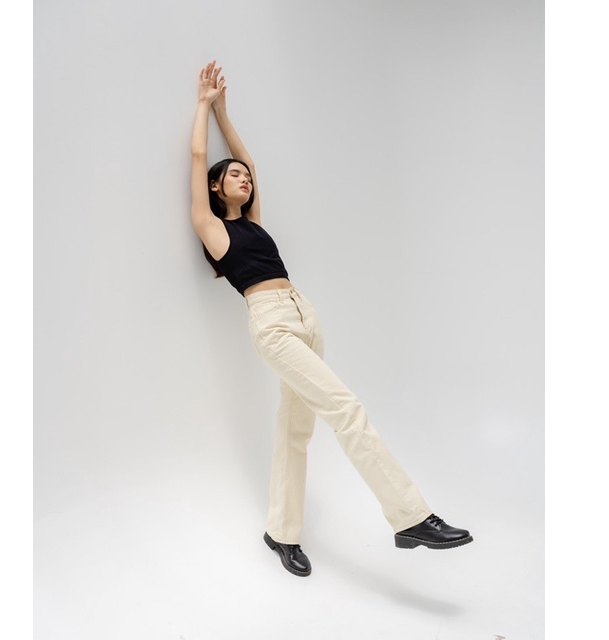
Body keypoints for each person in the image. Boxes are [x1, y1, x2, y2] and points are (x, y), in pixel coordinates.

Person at [190, 60, 473, 577]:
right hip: (273, 325)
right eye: (233, 175)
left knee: (295, 430)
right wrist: (204, 106)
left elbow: (250, 158)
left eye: (247, 177)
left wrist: (226, 113)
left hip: (305, 315)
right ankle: (411, 516)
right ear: (213, 188)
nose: (245, 178)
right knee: (345, 407)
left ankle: (281, 532)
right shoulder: (212, 227)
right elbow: (197, 157)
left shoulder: (254, 221)